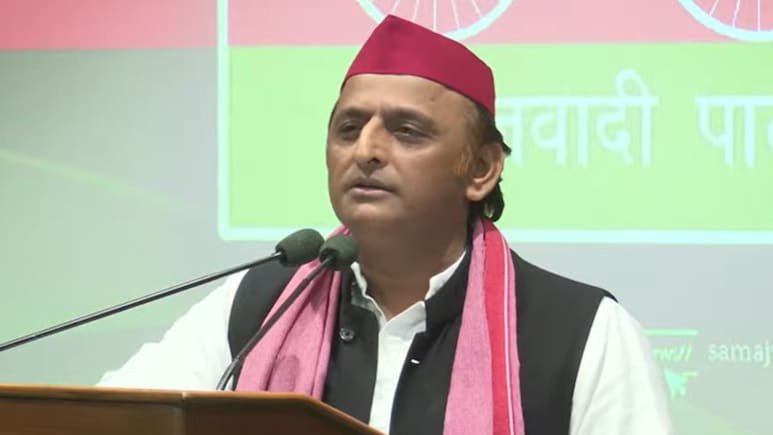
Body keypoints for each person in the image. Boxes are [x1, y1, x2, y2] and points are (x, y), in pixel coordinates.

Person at [98, 14, 673, 435]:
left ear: (481, 168)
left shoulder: (583, 333)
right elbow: (109, 418)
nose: (366, 150)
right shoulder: (260, 305)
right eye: (348, 129)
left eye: (407, 131)